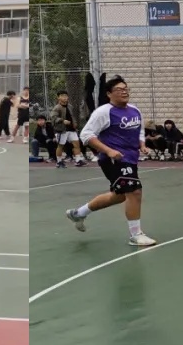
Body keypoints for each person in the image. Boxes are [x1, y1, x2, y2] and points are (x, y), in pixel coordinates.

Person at [64, 77, 155, 247]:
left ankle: (78, 213)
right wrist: (108, 151)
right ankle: (135, 235)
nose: (124, 92)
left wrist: (142, 145)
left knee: (119, 196)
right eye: (119, 89)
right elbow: (86, 135)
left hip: (130, 159)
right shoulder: (103, 112)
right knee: (134, 191)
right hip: (113, 160)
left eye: (126, 89)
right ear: (109, 94)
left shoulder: (135, 110)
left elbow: (140, 131)